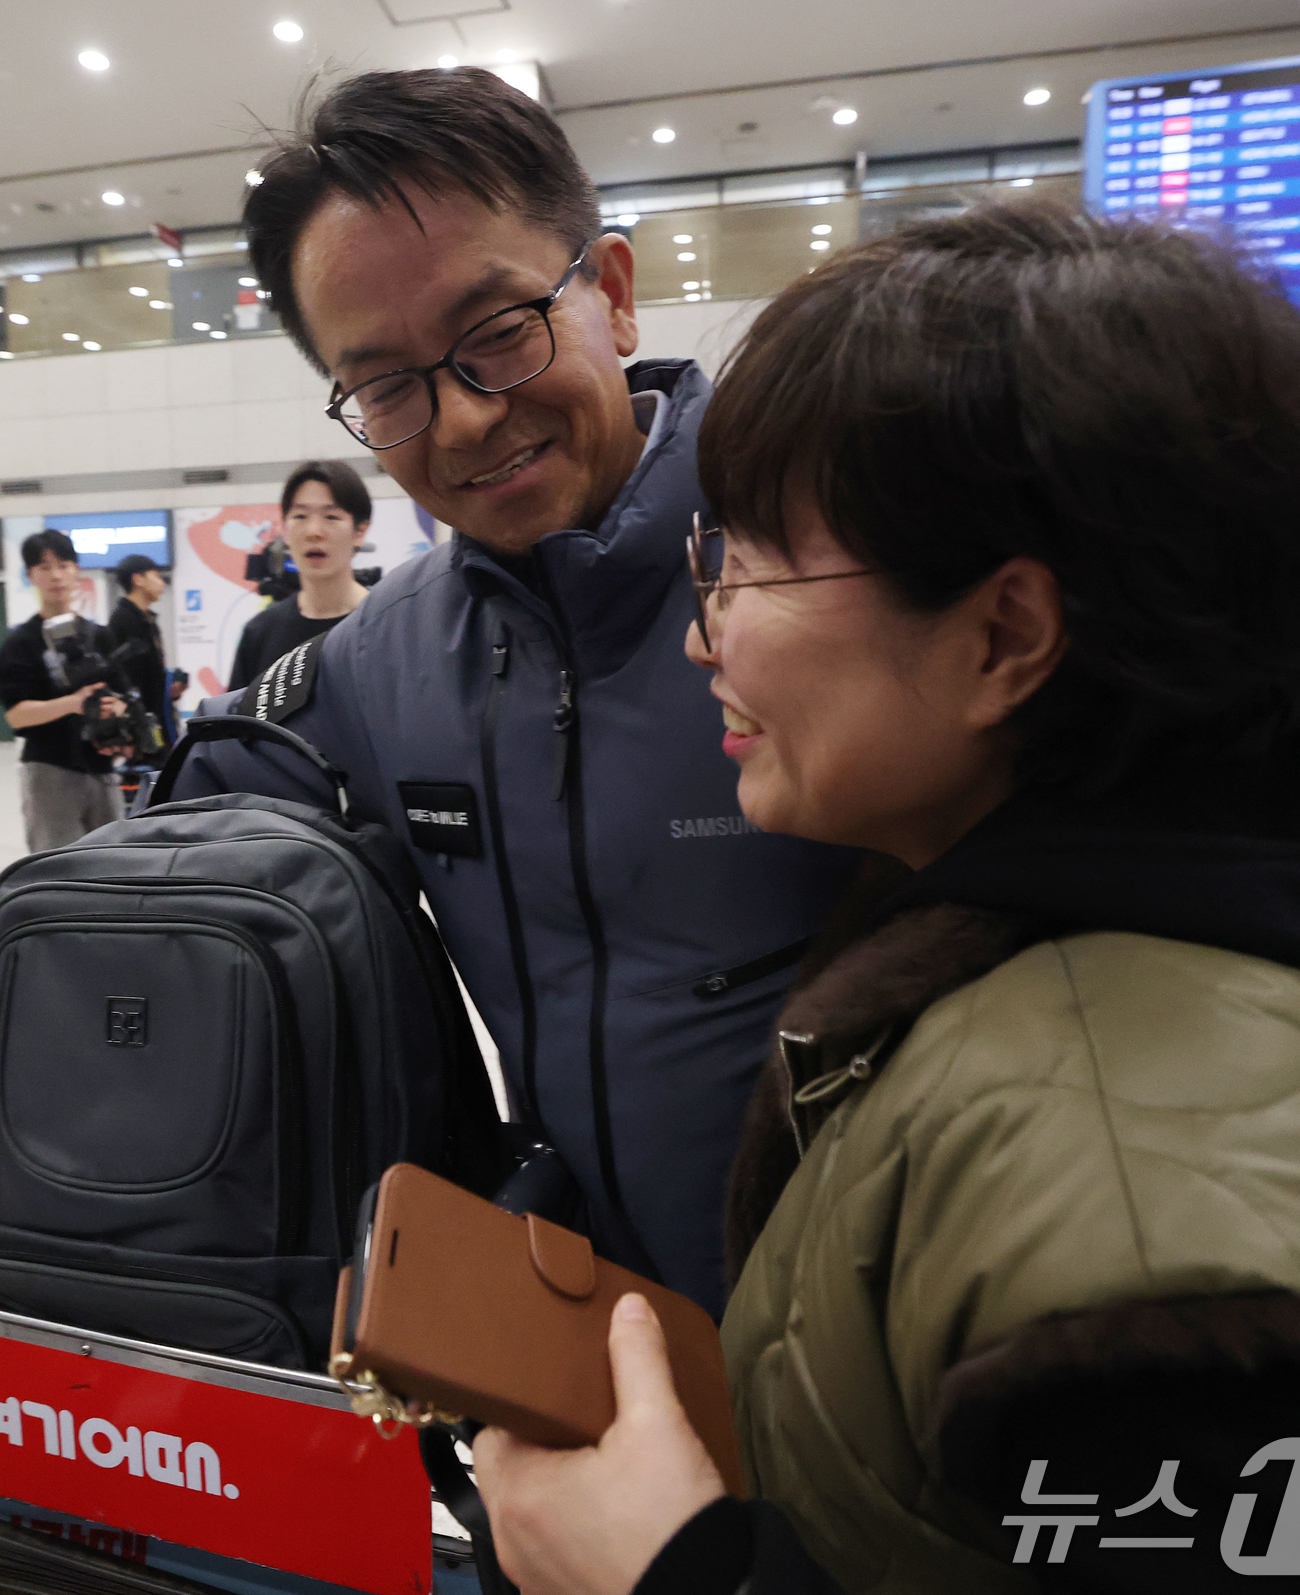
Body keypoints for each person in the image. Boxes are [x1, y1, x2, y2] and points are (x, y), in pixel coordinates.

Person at [472, 206, 1300, 1592]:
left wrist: (670, 1572)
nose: (704, 631)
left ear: (1005, 633)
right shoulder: (1157, 928)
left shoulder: (1148, 1242)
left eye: (755, 559)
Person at [163, 67, 854, 1317]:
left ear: (614, 294)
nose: (464, 420)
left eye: (497, 330)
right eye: (388, 385)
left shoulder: (835, 555)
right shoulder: (380, 662)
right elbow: (186, 832)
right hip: (589, 1347)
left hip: (893, 1338)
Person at [0, 531, 127, 851]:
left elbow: (123, 694)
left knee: (115, 860)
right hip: (50, 770)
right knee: (56, 865)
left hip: (102, 768)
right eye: (44, 567)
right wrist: (73, 703)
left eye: (63, 565)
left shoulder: (99, 635)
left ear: (76, 571)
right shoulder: (21, 643)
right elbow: (16, 716)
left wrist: (116, 709)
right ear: (30, 575)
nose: (56, 575)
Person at [228, 459, 372, 691]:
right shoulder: (261, 633)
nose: (313, 532)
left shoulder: (385, 625)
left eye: (331, 517)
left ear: (360, 531)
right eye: (300, 516)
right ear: (285, 529)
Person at [107, 553, 171, 736]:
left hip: (155, 718)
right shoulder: (122, 621)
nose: (162, 583)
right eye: (156, 576)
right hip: (137, 726)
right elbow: (126, 678)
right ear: (138, 579)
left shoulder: (148, 621)